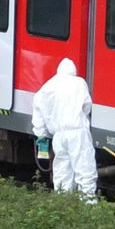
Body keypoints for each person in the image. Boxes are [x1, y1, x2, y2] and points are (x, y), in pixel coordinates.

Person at [32, 57, 97, 201]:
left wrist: (41, 134)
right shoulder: (79, 83)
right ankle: (89, 206)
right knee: (85, 171)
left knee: (62, 173)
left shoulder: (48, 86)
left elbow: (38, 110)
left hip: (59, 136)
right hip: (78, 132)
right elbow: (87, 106)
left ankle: (62, 205)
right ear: (73, 72)